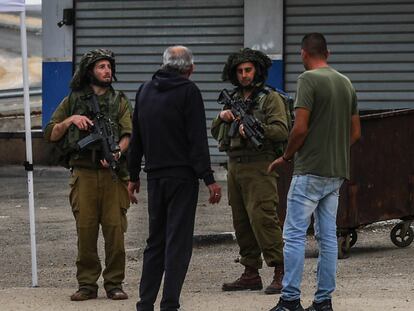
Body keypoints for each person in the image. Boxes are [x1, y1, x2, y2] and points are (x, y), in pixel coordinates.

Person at [267, 33, 361, 311]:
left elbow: (300, 127)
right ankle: (323, 301)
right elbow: (356, 132)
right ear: (327, 53)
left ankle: (290, 299)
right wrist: (332, 148)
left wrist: (286, 156)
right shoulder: (345, 83)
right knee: (327, 236)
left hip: (309, 171)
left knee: (294, 234)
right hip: (336, 172)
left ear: (303, 54)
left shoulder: (307, 80)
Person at [127, 45, 222, 311]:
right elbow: (196, 140)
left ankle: (145, 303)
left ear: (164, 64)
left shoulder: (144, 90)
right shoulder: (188, 91)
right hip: (182, 178)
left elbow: (137, 138)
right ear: (190, 69)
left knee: (155, 241)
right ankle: (169, 304)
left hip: (155, 177)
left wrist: (132, 175)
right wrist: (209, 178)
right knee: (178, 243)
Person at [44, 49, 132, 301]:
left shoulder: (119, 101)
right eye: (101, 66)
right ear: (89, 71)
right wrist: (72, 119)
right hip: (84, 174)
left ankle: (114, 283)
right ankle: (87, 284)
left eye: (109, 66)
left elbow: (128, 134)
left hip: (111, 176)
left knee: (115, 232)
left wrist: (117, 152)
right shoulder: (73, 101)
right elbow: (50, 132)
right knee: (86, 230)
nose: (107, 71)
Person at [211, 48, 289, 294]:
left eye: (248, 70)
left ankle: (280, 270)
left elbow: (281, 130)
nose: (244, 75)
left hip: (260, 164)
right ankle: (250, 272)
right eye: (240, 71)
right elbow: (216, 131)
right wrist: (222, 117)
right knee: (242, 220)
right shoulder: (232, 98)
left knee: (263, 217)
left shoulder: (270, 98)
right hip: (235, 165)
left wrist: (257, 128)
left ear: (257, 71)